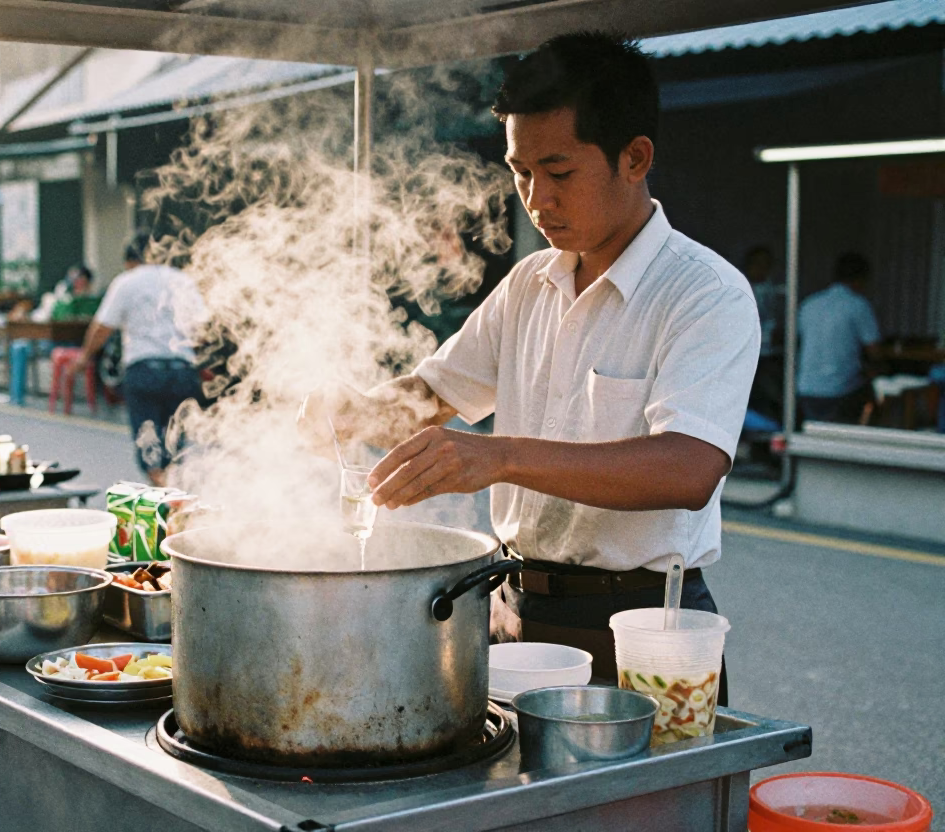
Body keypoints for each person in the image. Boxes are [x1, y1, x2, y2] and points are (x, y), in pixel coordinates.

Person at [299, 32, 759, 701]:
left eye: (559, 171)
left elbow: (688, 468)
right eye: (520, 172)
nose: (536, 198)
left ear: (635, 158)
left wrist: (500, 455)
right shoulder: (530, 283)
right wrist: (357, 409)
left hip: (640, 628)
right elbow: (434, 395)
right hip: (515, 615)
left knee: (630, 805)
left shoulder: (703, 293)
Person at [76, 245, 205, 486]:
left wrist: (84, 358)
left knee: (150, 449)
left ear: (131, 261)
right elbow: (202, 330)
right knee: (174, 446)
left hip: (144, 372)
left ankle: (165, 502)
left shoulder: (127, 282)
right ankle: (173, 497)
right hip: (182, 372)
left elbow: (102, 327)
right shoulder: (183, 281)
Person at [797, 252, 881, 424]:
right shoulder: (858, 305)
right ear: (860, 279)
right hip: (840, 390)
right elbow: (874, 351)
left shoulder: (809, 303)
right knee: (875, 397)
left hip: (806, 387)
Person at [744, 246, 785, 421]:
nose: (762, 269)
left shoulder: (773, 289)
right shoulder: (740, 287)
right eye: (758, 264)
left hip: (770, 355)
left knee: (770, 398)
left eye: (766, 265)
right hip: (748, 355)